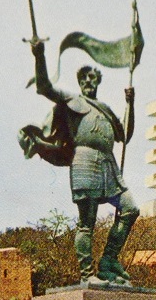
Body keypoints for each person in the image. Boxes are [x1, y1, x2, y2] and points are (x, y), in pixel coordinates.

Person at [24, 38, 140, 284]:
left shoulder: (105, 109)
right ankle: (87, 275)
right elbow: (44, 87)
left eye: (92, 77)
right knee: (87, 222)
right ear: (79, 82)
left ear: (98, 81)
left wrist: (130, 104)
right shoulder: (73, 101)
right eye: (84, 78)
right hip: (85, 162)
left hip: (109, 164)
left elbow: (124, 135)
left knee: (130, 209)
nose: (88, 81)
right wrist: (39, 55)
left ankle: (108, 261)